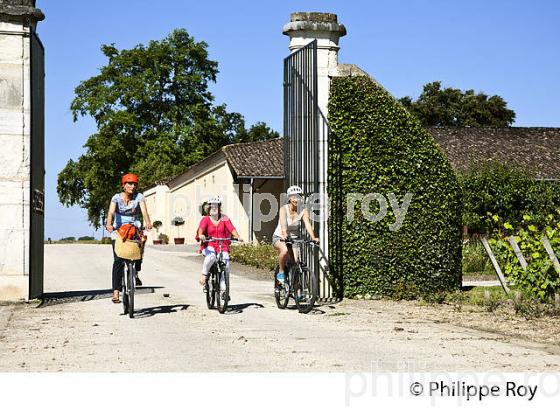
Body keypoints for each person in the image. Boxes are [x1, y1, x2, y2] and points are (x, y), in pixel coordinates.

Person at [106, 173, 152, 303]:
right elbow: (110, 212)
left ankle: (135, 272)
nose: (132, 186)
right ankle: (116, 292)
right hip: (119, 230)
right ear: (124, 185)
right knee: (118, 260)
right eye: (130, 184)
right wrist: (109, 224)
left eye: (134, 184)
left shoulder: (139, 197)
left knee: (138, 252)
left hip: (134, 227)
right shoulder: (116, 198)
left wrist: (147, 222)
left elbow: (144, 212)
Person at [272, 185, 320, 287]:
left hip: (294, 239)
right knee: (284, 251)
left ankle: (297, 290)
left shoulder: (303, 210)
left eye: (298, 196)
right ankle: (281, 272)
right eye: (293, 197)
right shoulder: (283, 209)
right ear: (289, 198)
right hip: (280, 237)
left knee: (296, 263)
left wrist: (313, 237)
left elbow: (307, 224)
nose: (296, 199)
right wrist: (284, 234)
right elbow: (283, 223)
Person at [196, 196, 240, 292]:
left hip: (222, 245)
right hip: (209, 244)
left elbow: (231, 228)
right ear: (208, 208)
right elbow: (201, 229)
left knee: (226, 261)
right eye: (212, 206)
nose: (214, 208)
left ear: (219, 207)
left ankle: (223, 284)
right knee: (211, 256)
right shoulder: (206, 219)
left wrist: (237, 236)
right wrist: (201, 235)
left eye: (216, 206)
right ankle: (204, 274)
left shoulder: (225, 218)